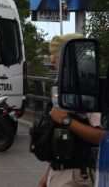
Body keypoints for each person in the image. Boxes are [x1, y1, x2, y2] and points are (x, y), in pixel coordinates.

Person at [38, 33, 104, 187]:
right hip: (59, 173)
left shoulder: (88, 90)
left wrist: (66, 120)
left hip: (78, 176)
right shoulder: (64, 88)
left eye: (56, 56)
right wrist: (47, 175)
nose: (52, 61)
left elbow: (102, 136)